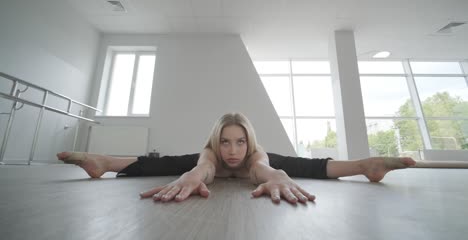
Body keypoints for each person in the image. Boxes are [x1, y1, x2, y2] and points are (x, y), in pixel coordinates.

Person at [57, 112, 416, 204]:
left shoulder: (256, 154)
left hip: (270, 162)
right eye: (225, 142)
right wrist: (193, 175)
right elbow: (204, 167)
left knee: (302, 166)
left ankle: (365, 164)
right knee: (168, 163)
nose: (232, 150)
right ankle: (102, 161)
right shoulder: (211, 152)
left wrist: (275, 175)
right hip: (193, 161)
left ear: (248, 142)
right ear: (217, 141)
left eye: (239, 142)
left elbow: (262, 167)